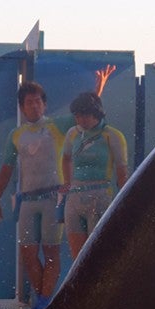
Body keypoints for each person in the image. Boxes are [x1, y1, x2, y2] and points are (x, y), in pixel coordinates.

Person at [0, 66, 114, 309]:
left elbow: (86, 109)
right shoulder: (16, 135)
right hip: (27, 200)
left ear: (44, 105)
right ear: (22, 107)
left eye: (38, 101)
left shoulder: (58, 125)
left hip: (52, 198)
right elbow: (6, 167)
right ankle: (41, 297)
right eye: (28, 102)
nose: (34, 106)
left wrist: (100, 86)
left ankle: (44, 302)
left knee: (51, 251)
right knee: (28, 253)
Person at [60, 83, 130, 259]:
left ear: (96, 113)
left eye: (85, 115)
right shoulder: (72, 134)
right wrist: (67, 183)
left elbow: (121, 170)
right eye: (77, 116)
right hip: (75, 197)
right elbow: (66, 157)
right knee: (77, 256)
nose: (81, 120)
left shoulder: (112, 135)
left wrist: (124, 200)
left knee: (97, 253)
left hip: (100, 195)